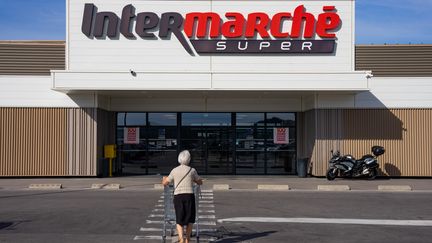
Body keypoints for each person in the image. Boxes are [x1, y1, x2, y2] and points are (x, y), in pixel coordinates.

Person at [162, 150, 203, 243]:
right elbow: (200, 181)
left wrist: (164, 179)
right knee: (190, 219)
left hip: (178, 197)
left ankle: (181, 239)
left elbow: (165, 182)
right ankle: (187, 239)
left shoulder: (174, 170)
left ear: (179, 159)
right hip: (189, 196)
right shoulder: (192, 170)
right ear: (189, 159)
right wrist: (196, 181)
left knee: (179, 219)